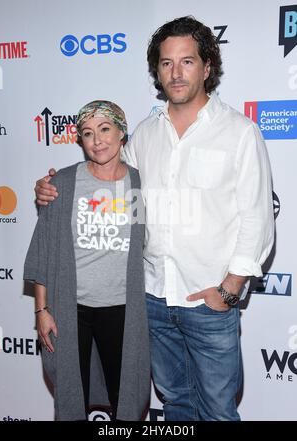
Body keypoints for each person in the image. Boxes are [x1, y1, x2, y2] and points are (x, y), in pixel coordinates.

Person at [34, 16, 275, 421]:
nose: (176, 73)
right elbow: (106, 177)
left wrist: (230, 290)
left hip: (209, 302)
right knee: (176, 404)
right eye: (166, 63)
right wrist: (55, 186)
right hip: (152, 302)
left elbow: (257, 216)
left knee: (218, 410)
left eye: (186, 61)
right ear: (157, 71)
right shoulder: (144, 134)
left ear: (207, 67)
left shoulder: (239, 132)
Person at [24, 100, 150, 421]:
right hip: (71, 310)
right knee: (70, 395)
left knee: (126, 397)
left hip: (123, 309)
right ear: (80, 140)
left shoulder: (139, 184)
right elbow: (44, 250)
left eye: (105, 129)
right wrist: (42, 310)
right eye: (87, 133)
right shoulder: (62, 184)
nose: (97, 141)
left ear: (122, 133)